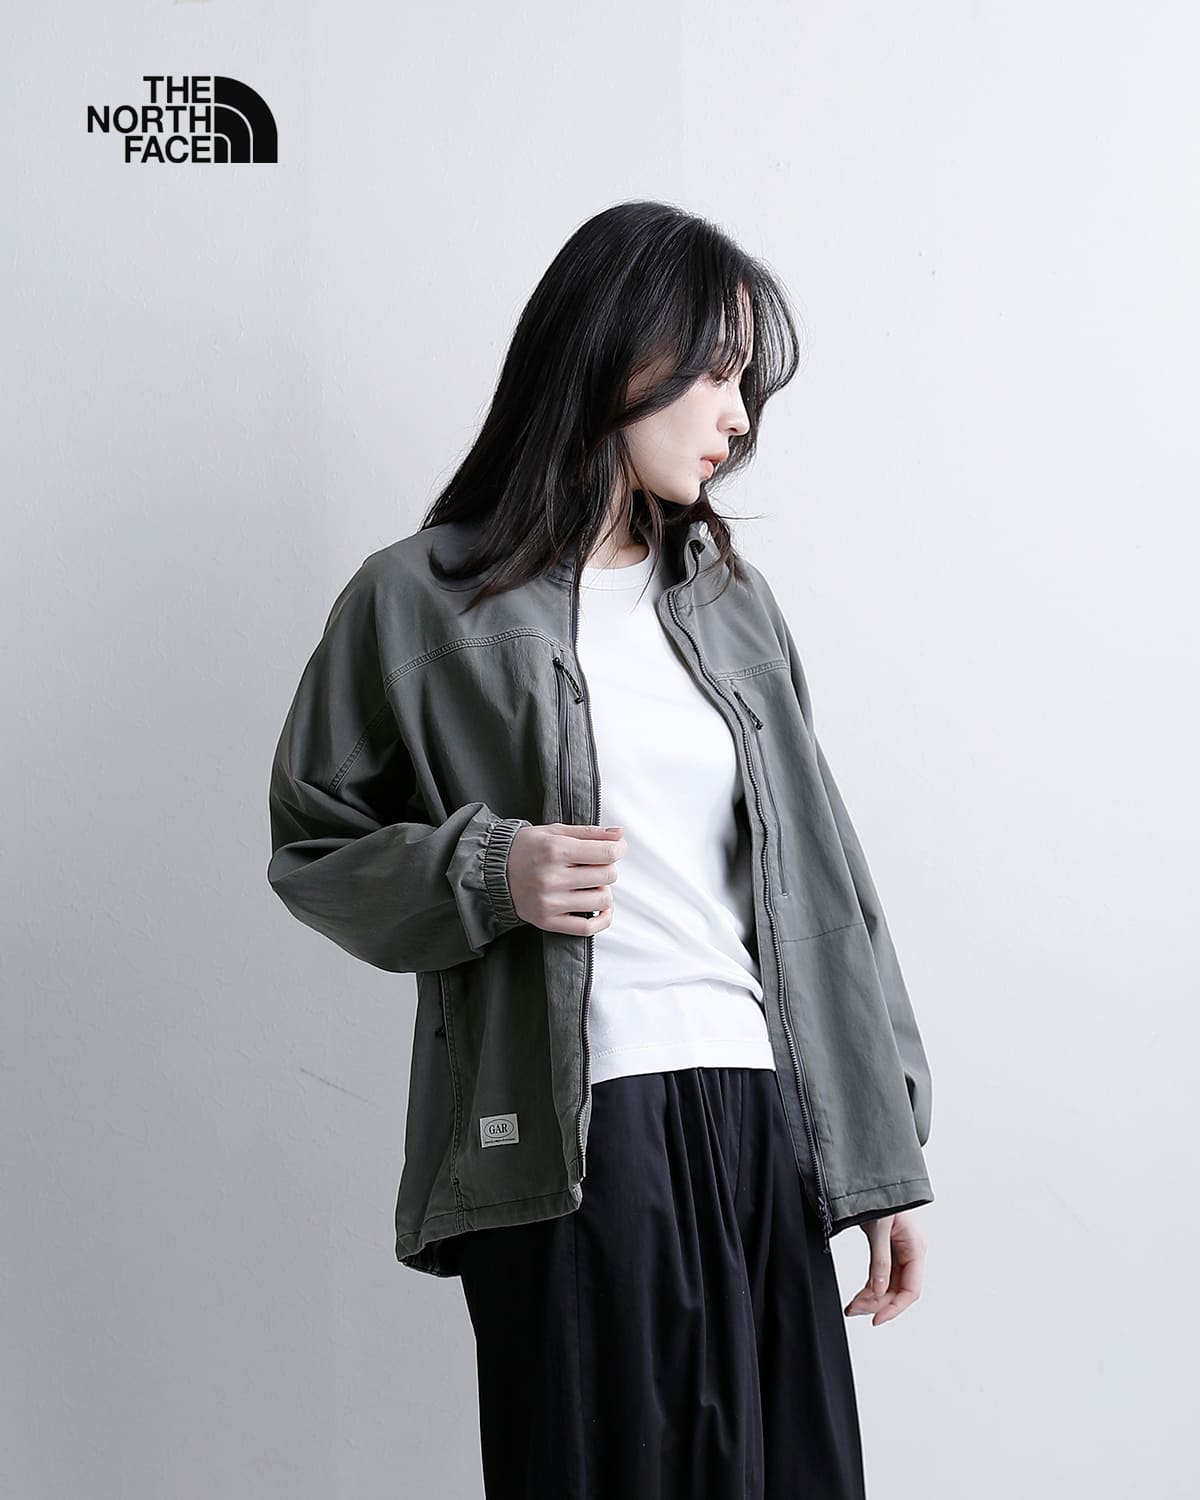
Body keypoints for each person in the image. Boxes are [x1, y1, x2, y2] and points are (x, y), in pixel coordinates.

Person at [266, 199, 934, 1499]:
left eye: (748, 385)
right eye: (722, 373)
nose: (739, 419)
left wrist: (880, 1156)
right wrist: (488, 871)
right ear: (629, 352)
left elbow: (828, 889)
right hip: (574, 1133)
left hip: (759, 1115)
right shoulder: (417, 600)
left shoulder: (732, 604)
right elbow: (314, 840)